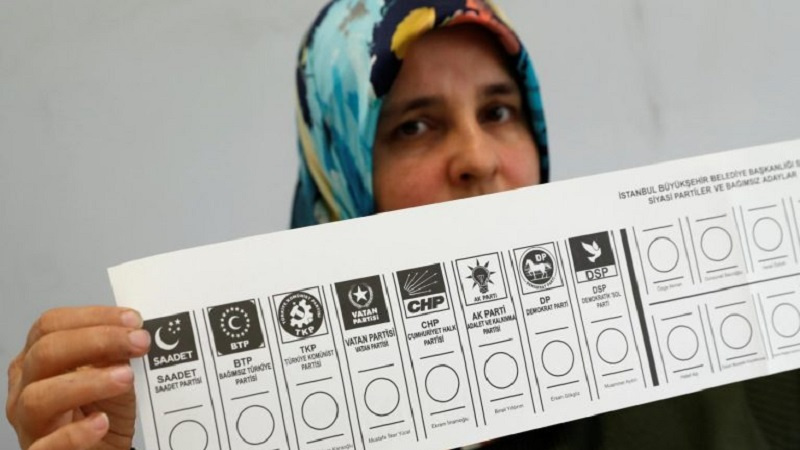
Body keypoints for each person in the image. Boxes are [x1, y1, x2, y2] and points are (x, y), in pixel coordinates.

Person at [6, 1, 798, 449]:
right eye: (415, 125)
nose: (478, 158)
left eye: (500, 111)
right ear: (344, 176)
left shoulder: (710, 367)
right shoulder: (253, 423)